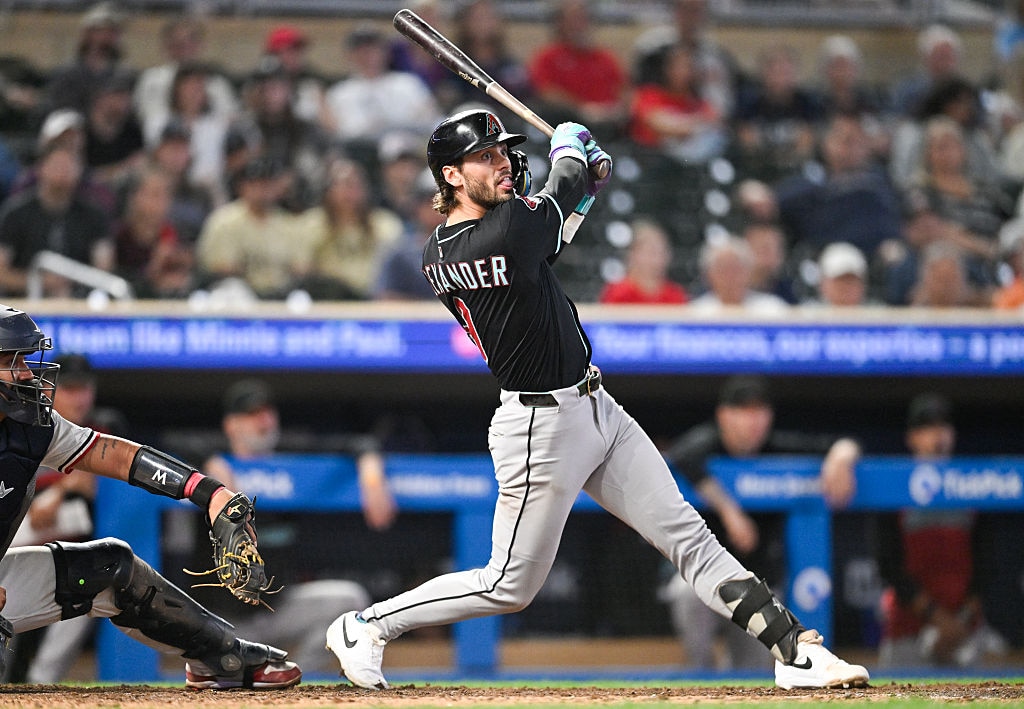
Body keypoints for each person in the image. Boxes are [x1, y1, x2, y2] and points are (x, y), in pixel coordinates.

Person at [325, 108, 869, 690]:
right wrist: (571, 151)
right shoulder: (465, 243)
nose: (504, 162)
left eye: (504, 152)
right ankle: (366, 626)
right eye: (485, 156)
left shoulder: (504, 231)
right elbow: (550, 205)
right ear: (452, 177)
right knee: (509, 585)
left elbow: (551, 228)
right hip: (539, 427)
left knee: (688, 535)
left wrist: (582, 186)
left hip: (597, 407)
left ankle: (793, 651)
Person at [0, 304, 301, 689]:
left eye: (25, 360)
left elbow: (114, 455)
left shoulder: (31, 426)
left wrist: (208, 493)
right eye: (12, 362)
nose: (26, 373)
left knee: (112, 567)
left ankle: (220, 657)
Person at [659, 375, 861, 670]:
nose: (754, 421)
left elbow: (842, 443)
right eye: (744, 411)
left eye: (760, 411)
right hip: (705, 577)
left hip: (758, 583)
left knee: (751, 672)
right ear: (724, 416)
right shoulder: (706, 443)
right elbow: (681, 455)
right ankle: (698, 675)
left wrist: (841, 457)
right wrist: (730, 511)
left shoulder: (775, 447)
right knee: (684, 593)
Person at [198, 378, 390, 671]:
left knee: (351, 599)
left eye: (266, 412)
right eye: (251, 414)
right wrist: (208, 461)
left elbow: (357, 444)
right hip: (223, 620)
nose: (263, 421)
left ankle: (296, 678)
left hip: (278, 607)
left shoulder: (288, 454)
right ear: (231, 425)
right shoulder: (210, 461)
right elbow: (168, 443)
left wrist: (370, 471)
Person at [7, 353, 125, 683]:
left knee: (46, 669)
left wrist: (57, 495)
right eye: (69, 389)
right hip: (22, 553)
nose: (79, 397)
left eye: (83, 388)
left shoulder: (102, 430)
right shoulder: (22, 430)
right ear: (49, 392)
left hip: (79, 560)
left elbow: (89, 481)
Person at [875, 393, 1006, 667]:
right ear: (912, 437)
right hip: (908, 628)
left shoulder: (975, 486)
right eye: (927, 427)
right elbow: (890, 567)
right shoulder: (894, 488)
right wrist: (938, 619)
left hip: (964, 628)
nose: (938, 435)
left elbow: (988, 565)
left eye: (944, 426)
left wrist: (956, 624)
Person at [0, 144, 114, 298]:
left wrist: (72, 281)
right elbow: (2, 273)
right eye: (58, 165)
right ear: (41, 168)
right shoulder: (15, 214)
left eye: (70, 166)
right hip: (23, 305)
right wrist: (40, 282)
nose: (63, 172)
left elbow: (103, 269)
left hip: (79, 305)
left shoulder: (94, 215)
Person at [527, 0, 628, 134]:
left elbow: (624, 91)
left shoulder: (606, 58)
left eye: (583, 18)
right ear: (560, 23)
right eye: (573, 19)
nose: (579, 26)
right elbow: (546, 92)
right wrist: (583, 109)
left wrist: (618, 110)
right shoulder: (548, 57)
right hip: (566, 128)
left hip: (609, 126)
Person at [688, 236, 790, 314]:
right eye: (723, 269)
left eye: (736, 268)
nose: (730, 276)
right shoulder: (695, 313)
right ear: (708, 275)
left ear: (749, 272)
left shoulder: (772, 309)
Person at [598, 218, 688, 304]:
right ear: (632, 254)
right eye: (651, 252)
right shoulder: (618, 294)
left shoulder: (675, 295)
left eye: (662, 251)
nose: (658, 259)